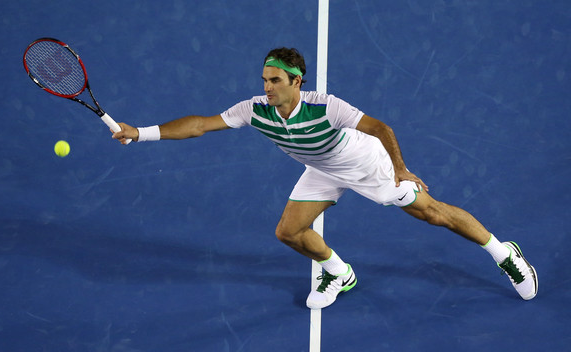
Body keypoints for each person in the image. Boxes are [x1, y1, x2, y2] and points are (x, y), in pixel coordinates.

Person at [112, 47, 538, 309]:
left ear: (298, 81)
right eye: (264, 79)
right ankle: (338, 272)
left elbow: (379, 127)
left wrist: (400, 169)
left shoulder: (325, 105)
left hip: (366, 165)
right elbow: (201, 125)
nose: (267, 87)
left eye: (275, 80)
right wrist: (142, 132)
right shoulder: (254, 109)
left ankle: (505, 255)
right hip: (321, 168)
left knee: (431, 213)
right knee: (288, 232)